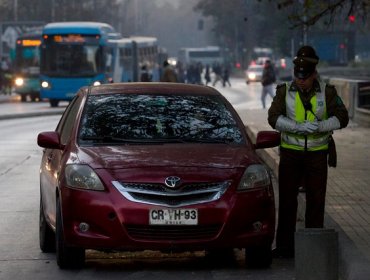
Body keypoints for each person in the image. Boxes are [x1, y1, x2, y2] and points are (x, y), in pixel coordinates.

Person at [267, 45, 349, 258]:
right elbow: (273, 117)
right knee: (286, 201)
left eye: (305, 76)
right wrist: (296, 127)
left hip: (317, 154)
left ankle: (312, 248)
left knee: (316, 200)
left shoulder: (327, 92)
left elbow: (343, 117)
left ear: (314, 74)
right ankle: (285, 247)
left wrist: (323, 126)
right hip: (290, 154)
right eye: (297, 75)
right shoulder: (284, 90)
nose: (300, 79)